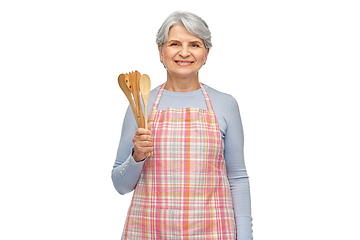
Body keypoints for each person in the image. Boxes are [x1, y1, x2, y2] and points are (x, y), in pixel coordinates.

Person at [112, 11, 253, 240]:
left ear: (206, 53)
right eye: (174, 43)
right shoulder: (140, 106)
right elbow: (120, 185)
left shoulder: (225, 105)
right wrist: (137, 156)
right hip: (149, 230)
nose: (184, 52)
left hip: (213, 231)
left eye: (194, 44)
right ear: (160, 51)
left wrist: (245, 236)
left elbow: (237, 177)